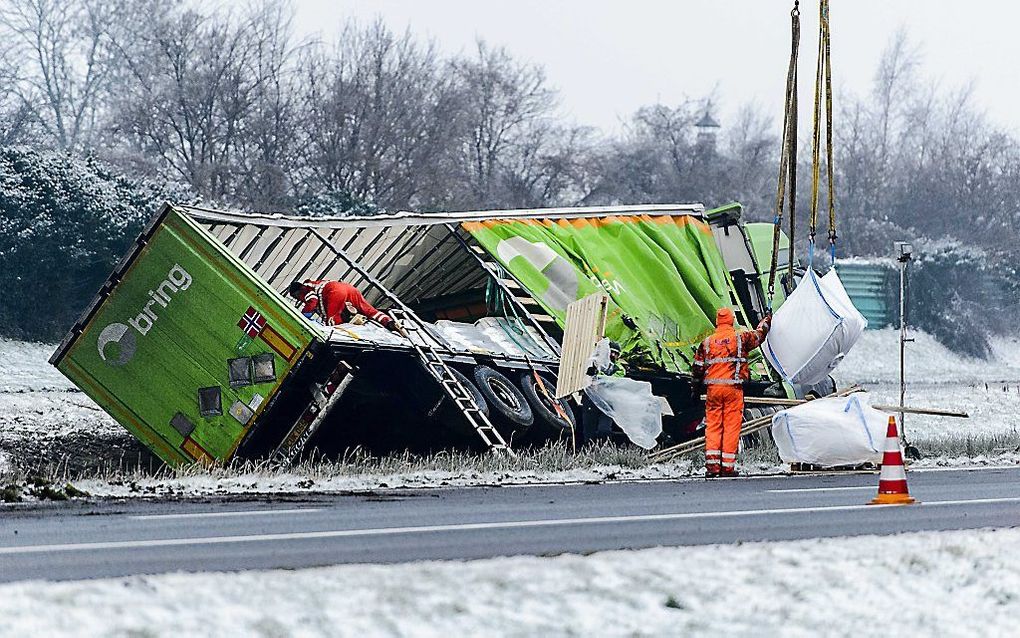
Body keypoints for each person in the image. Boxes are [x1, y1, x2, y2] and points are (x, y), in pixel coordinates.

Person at [691, 307, 771, 477]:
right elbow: (759, 336)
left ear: (717, 322)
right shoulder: (741, 338)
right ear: (732, 320)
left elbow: (697, 369)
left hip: (713, 391)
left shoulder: (707, 342)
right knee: (731, 427)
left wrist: (695, 391)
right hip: (733, 390)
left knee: (713, 426)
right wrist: (766, 321)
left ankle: (712, 468)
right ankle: (727, 467)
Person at [287, 279, 401, 333]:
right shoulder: (316, 283)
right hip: (348, 288)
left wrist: (302, 317)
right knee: (367, 309)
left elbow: (313, 301)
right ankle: (389, 322)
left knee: (332, 324)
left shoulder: (306, 290)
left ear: (298, 292)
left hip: (334, 292)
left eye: (296, 297)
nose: (299, 300)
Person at [580, 340, 625, 444]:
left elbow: (613, 379)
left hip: (607, 403)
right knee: (588, 430)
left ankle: (602, 450)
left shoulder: (619, 368)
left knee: (604, 430)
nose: (613, 355)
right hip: (591, 401)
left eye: (616, 353)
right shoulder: (595, 362)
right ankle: (588, 452)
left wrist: (597, 374)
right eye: (611, 352)